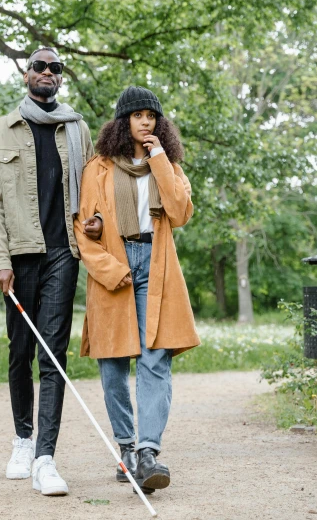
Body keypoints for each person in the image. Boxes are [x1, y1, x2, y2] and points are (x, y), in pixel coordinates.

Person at [0, 47, 102, 497]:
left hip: (63, 254)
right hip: (19, 254)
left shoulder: (77, 129)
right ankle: (22, 439)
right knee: (20, 352)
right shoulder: (0, 131)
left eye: (56, 68)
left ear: (60, 79)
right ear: (25, 73)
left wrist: (97, 223)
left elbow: (93, 191)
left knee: (53, 355)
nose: (48, 73)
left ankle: (46, 458)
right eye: (40, 66)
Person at [74, 86, 200, 494]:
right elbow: (83, 228)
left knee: (155, 360)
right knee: (112, 367)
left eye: (152, 116)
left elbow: (180, 212)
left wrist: (160, 157)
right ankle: (126, 448)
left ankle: (148, 453)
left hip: (156, 266)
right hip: (116, 266)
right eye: (138, 115)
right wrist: (111, 269)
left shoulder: (168, 165)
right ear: (122, 121)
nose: (146, 122)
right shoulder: (98, 168)